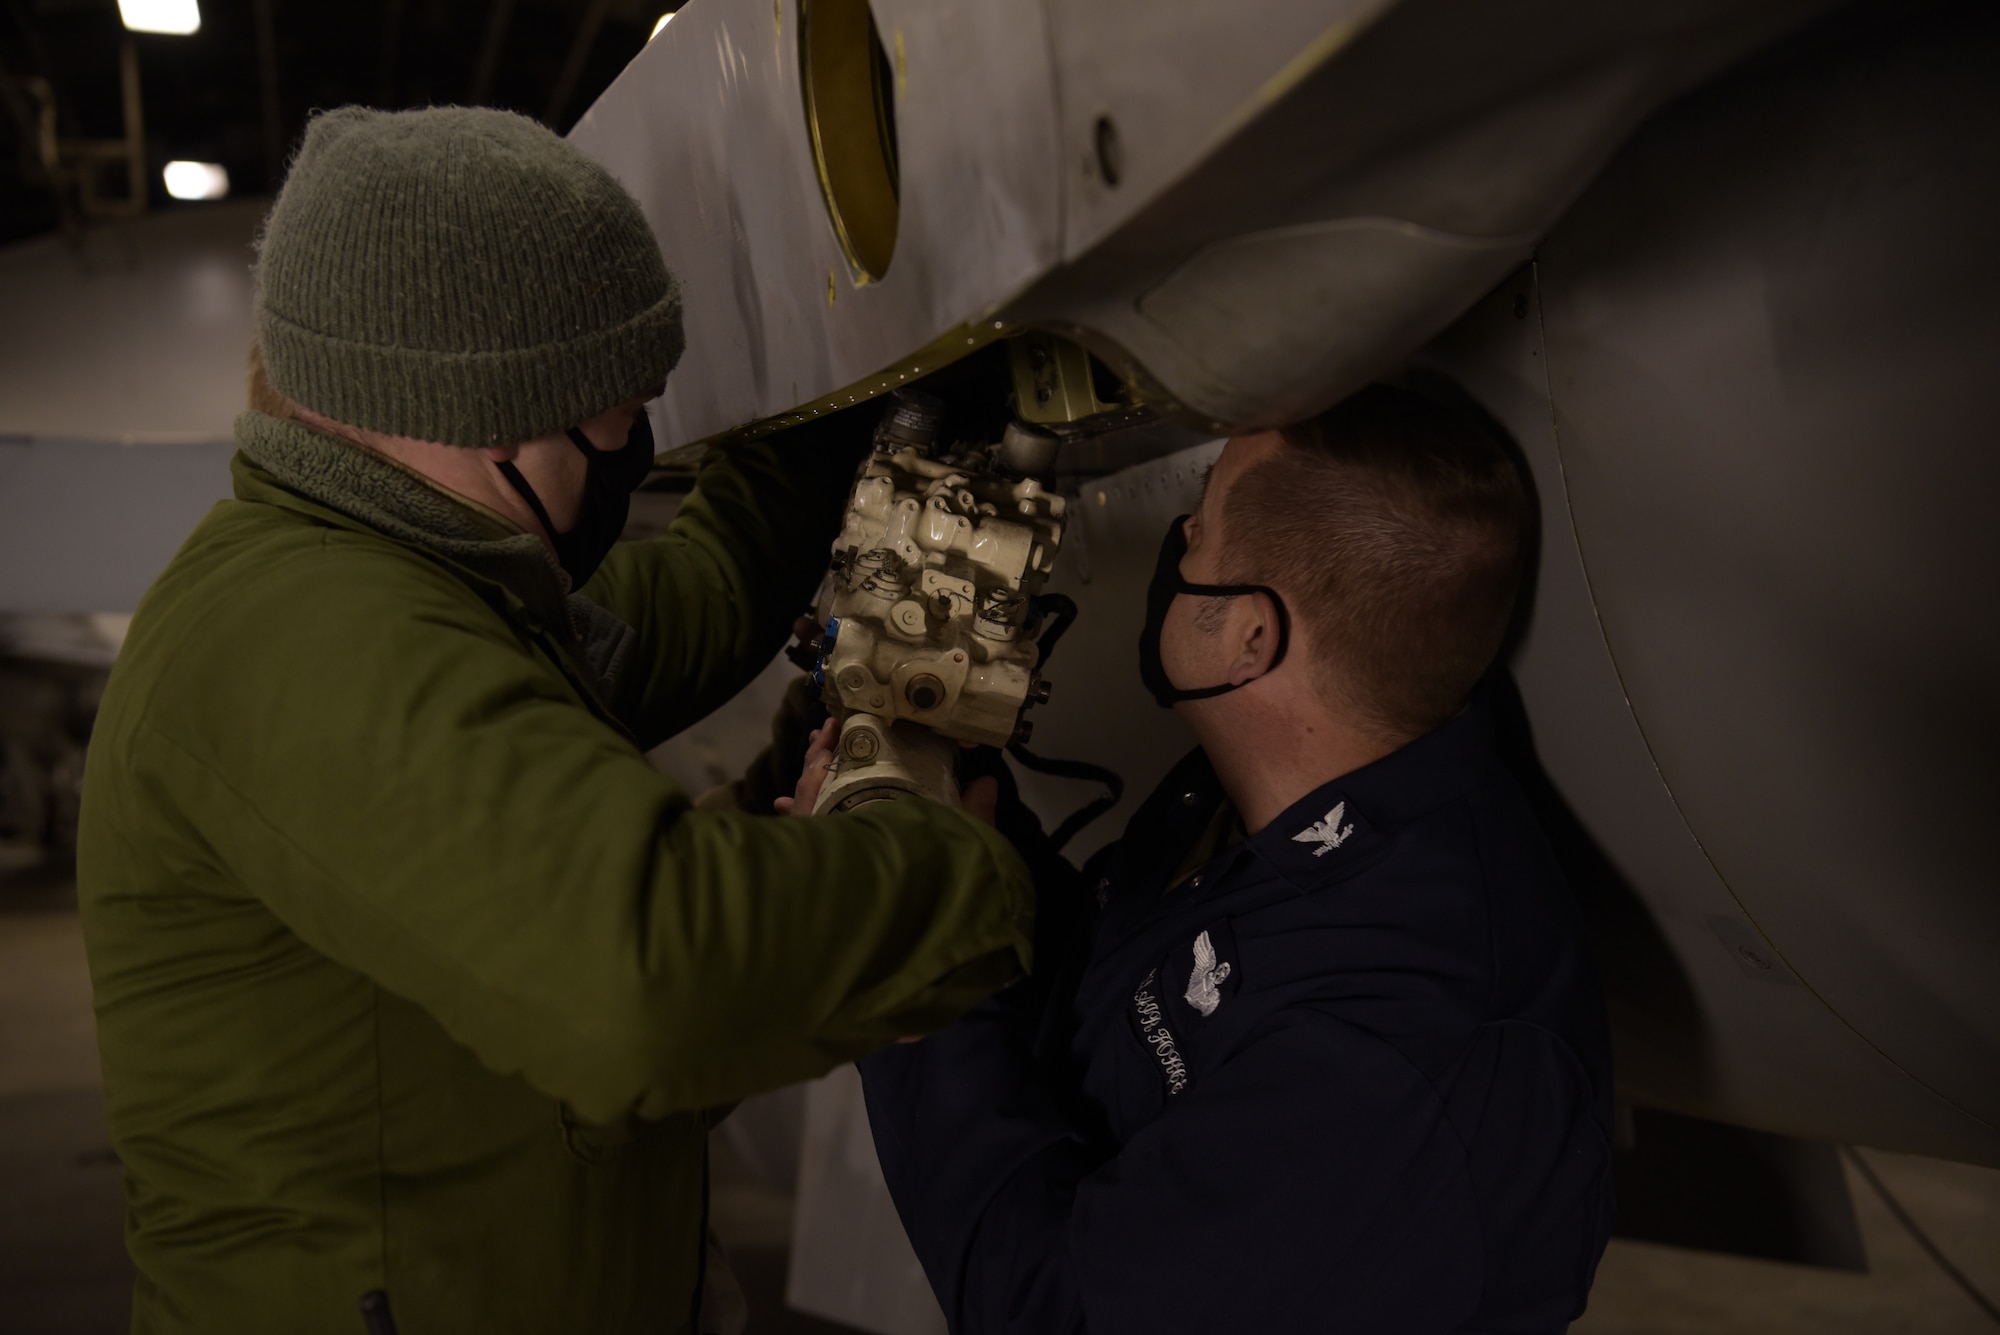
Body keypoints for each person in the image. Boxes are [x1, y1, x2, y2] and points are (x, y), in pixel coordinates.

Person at [76, 106, 1032, 1335]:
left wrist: (854, 419)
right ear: (491, 413)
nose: (636, 442)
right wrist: (960, 864)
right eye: (619, 409)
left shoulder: (425, 591)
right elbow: (646, 985)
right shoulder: (308, 635)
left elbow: (695, 602)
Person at [804, 384, 1615, 1333]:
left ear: (1252, 637)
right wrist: (953, 819)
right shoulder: (1288, 795)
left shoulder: (1394, 1060)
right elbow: (1111, 1005)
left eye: (1200, 527)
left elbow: (1052, 1311)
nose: (1179, 535)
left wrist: (915, 969)